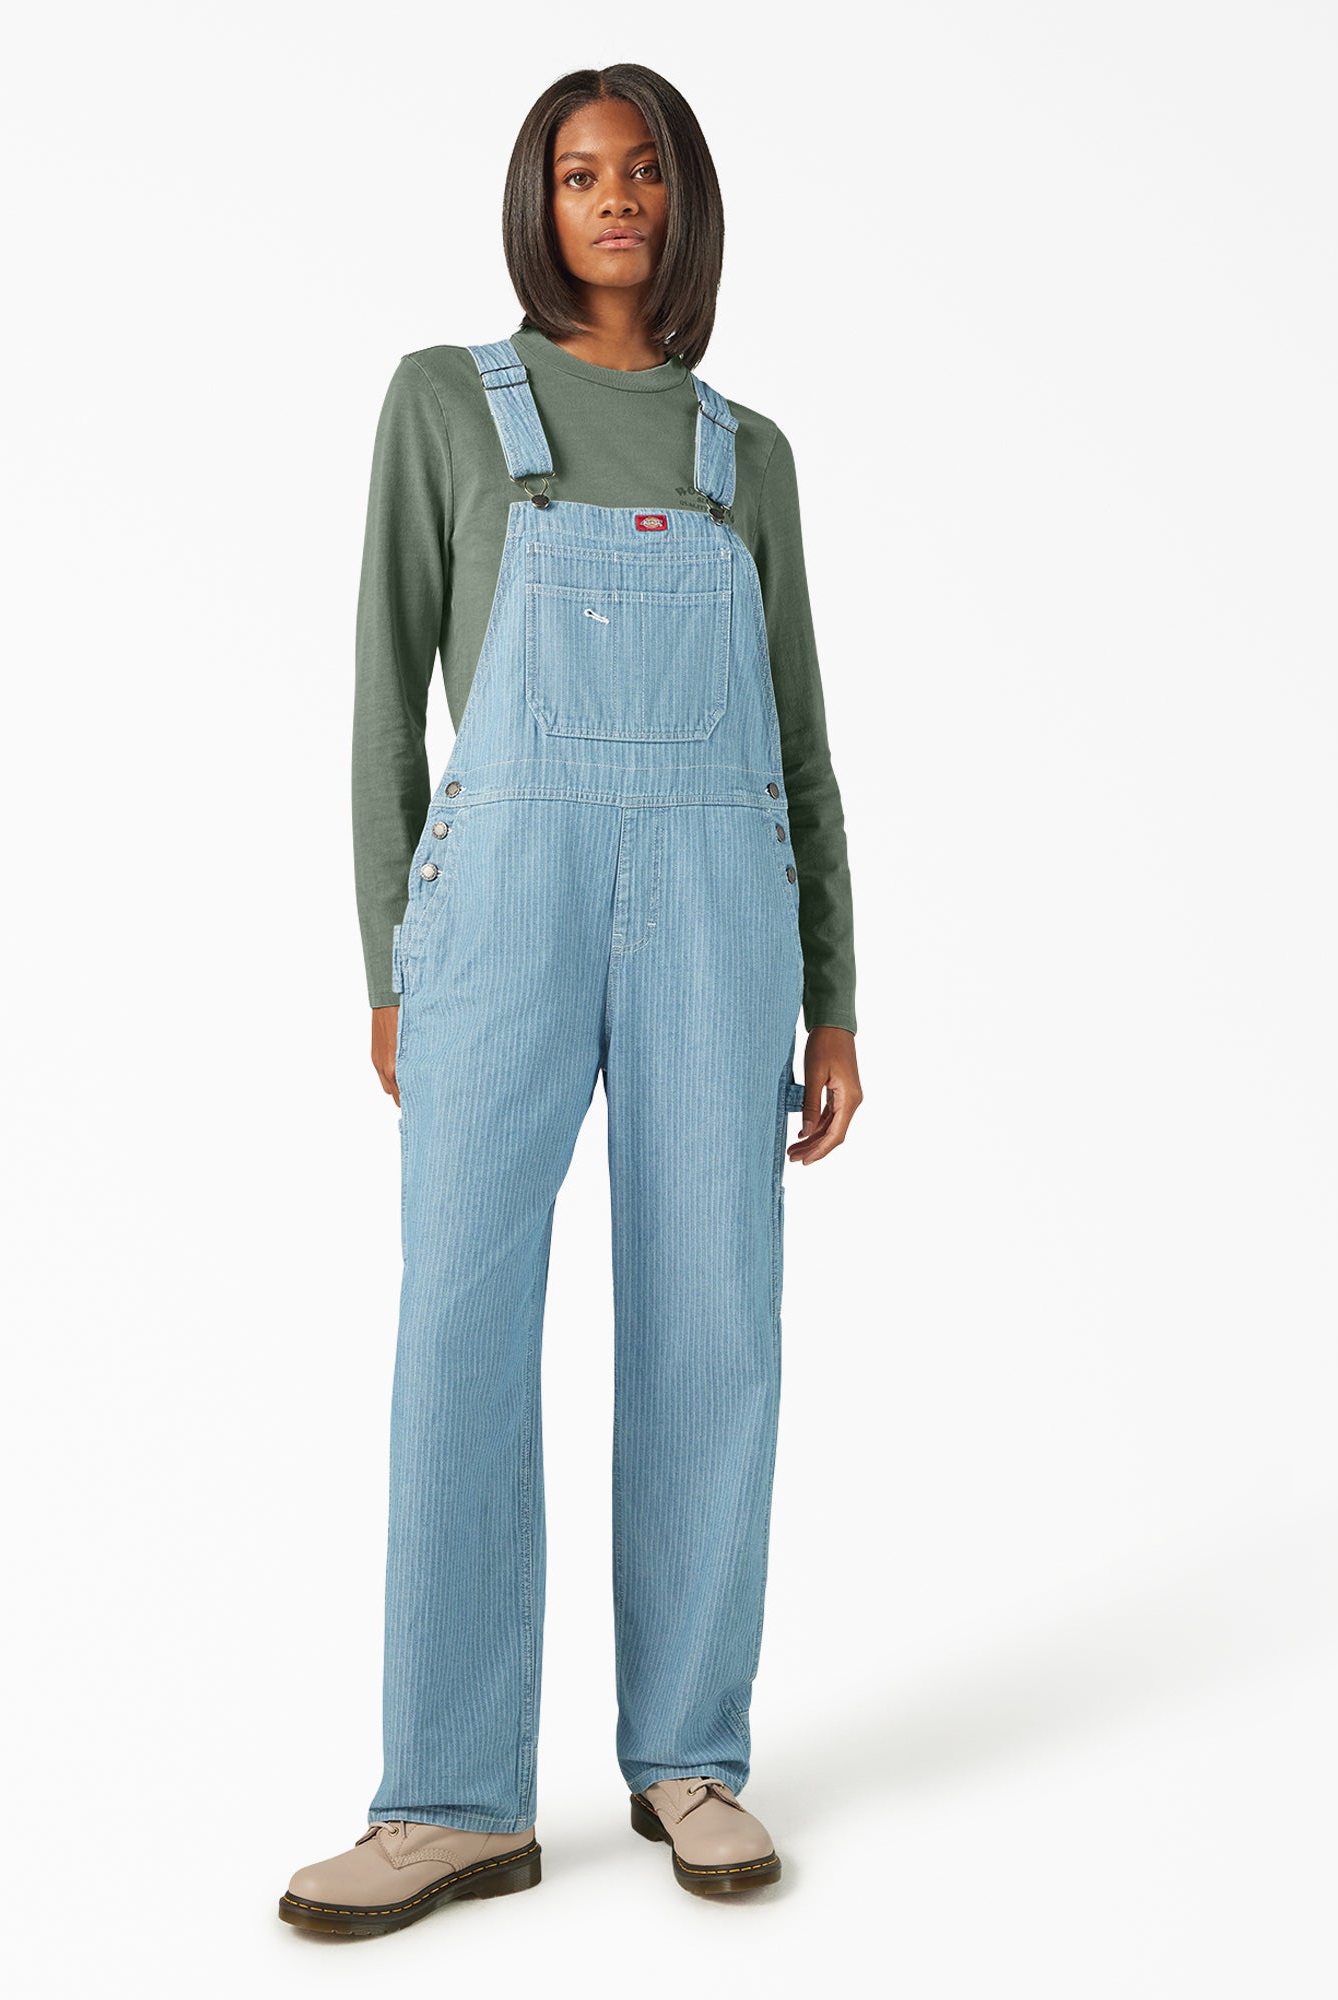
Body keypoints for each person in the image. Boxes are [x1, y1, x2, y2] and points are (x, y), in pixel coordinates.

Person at [279, 63, 862, 1938]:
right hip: (498, 918)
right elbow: (383, 695)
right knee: (458, 1327)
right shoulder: (447, 401)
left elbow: (799, 744)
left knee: (713, 1324)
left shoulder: (746, 453)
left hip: (720, 916)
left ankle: (689, 1756)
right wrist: (393, 952)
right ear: (537, 202)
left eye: (645, 172)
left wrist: (834, 997)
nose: (614, 199)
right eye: (579, 172)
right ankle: (450, 1799)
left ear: (686, 203)